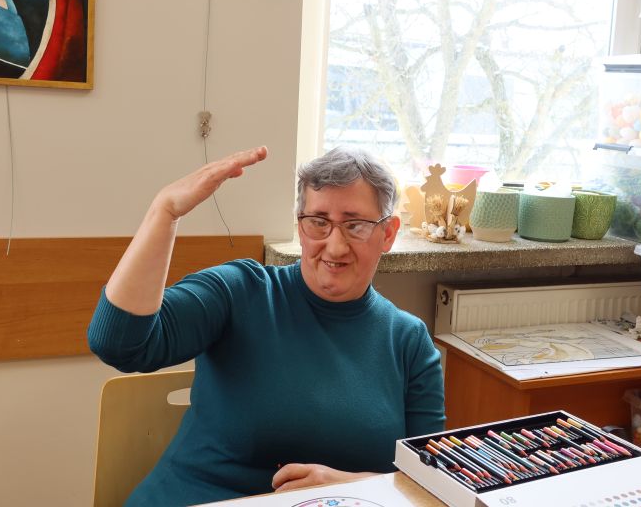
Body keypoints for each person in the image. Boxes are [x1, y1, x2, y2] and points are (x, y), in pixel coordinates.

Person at [88, 146, 446, 506]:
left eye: (355, 226)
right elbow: (119, 343)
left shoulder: (409, 341)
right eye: (318, 222)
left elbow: (430, 485)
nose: (335, 246)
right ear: (300, 227)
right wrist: (164, 212)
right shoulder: (241, 291)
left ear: (388, 233)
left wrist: (349, 485)